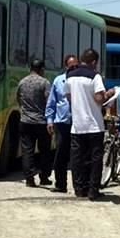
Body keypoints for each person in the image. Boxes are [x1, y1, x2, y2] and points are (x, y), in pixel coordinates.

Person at [65, 48, 115, 200]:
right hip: (94, 125)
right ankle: (93, 190)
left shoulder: (70, 76)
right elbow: (99, 98)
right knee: (95, 159)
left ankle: (79, 189)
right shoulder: (95, 76)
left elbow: (68, 96)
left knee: (77, 159)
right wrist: (110, 94)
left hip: (77, 125)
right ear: (94, 62)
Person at [16, 58, 52, 188]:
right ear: (41, 69)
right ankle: (44, 177)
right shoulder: (44, 83)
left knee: (27, 151)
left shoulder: (22, 82)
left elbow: (18, 99)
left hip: (25, 121)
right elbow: (49, 102)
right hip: (41, 122)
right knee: (44, 151)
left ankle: (29, 178)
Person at [46, 54, 78, 193]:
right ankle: (60, 184)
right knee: (60, 155)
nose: (74, 69)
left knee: (77, 156)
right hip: (62, 122)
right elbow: (52, 102)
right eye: (71, 66)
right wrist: (49, 120)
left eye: (76, 66)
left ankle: (79, 185)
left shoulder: (80, 81)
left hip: (78, 122)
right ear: (66, 66)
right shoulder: (59, 81)